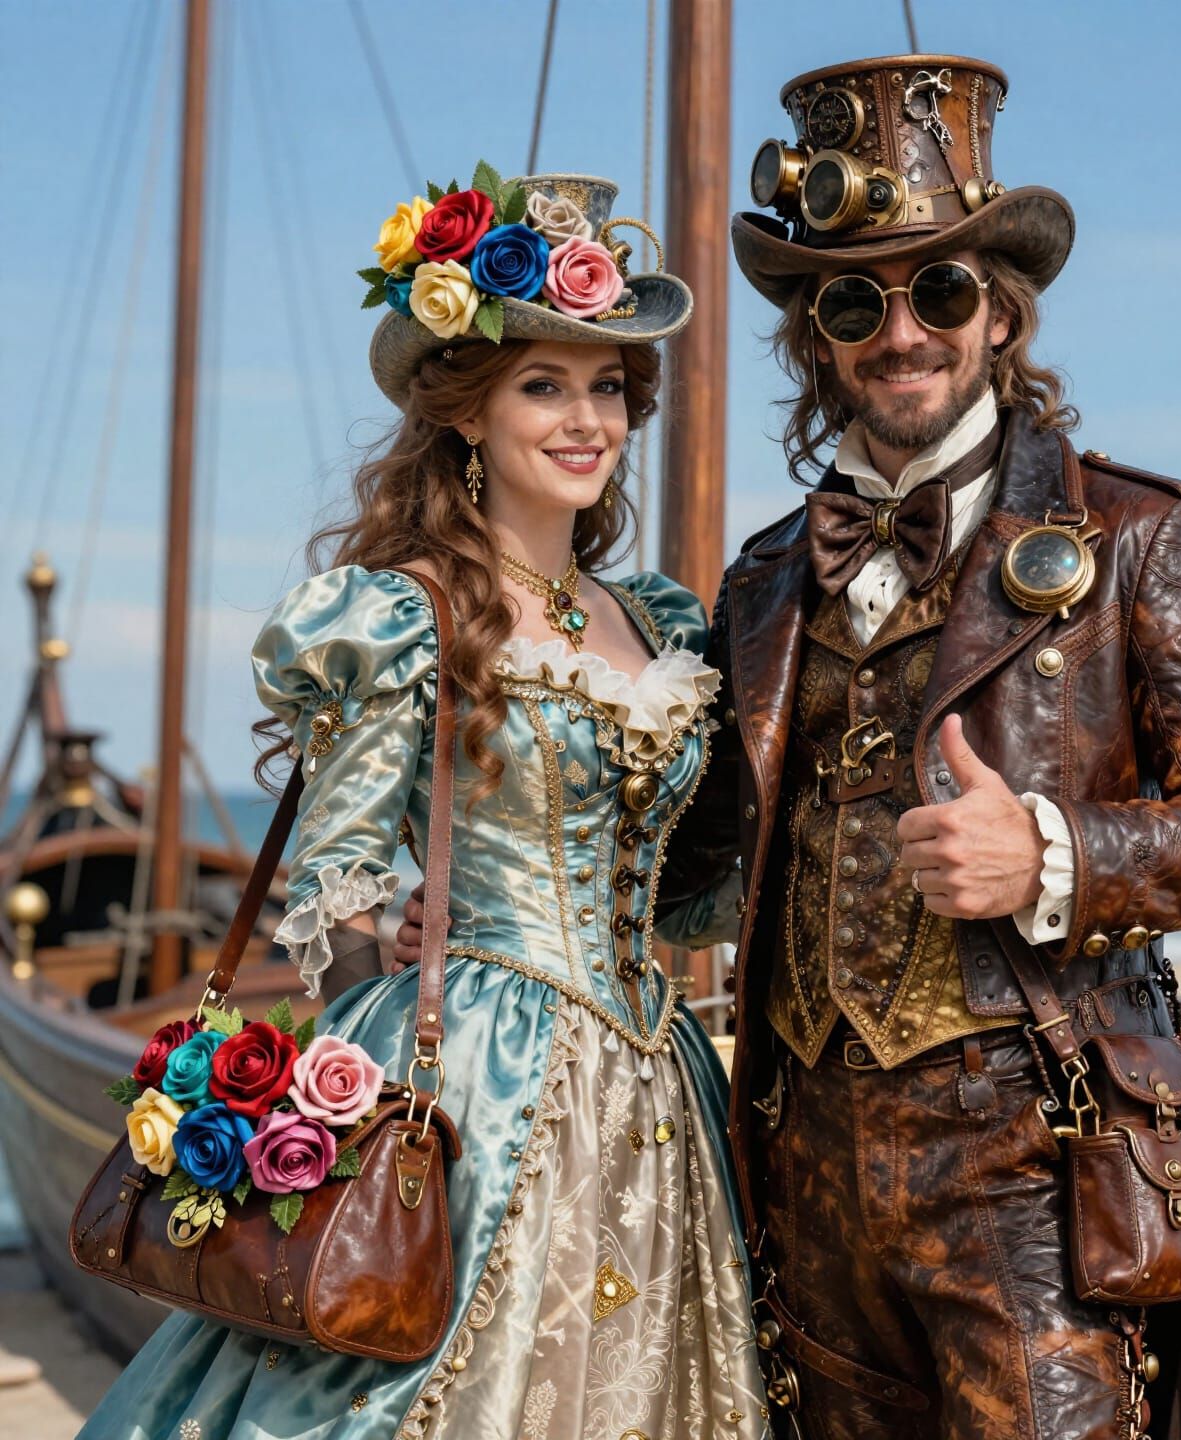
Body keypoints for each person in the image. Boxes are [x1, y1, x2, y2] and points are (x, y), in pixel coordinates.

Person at [653, 53, 1181, 1440]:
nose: (902, 331)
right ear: (816, 336)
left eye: (942, 290)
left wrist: (1054, 851)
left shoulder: (1139, 537)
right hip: (806, 1177)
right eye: (855, 299)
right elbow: (702, 865)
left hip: (1038, 1169)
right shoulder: (764, 580)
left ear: (1002, 313)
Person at [76, 168, 767, 1440]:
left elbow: (693, 889)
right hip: (474, 1081)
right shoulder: (405, 615)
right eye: (542, 385)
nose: (585, 420)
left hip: (661, 1090)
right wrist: (377, 976)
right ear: (464, 414)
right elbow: (333, 876)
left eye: (607, 385)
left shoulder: (661, 620)